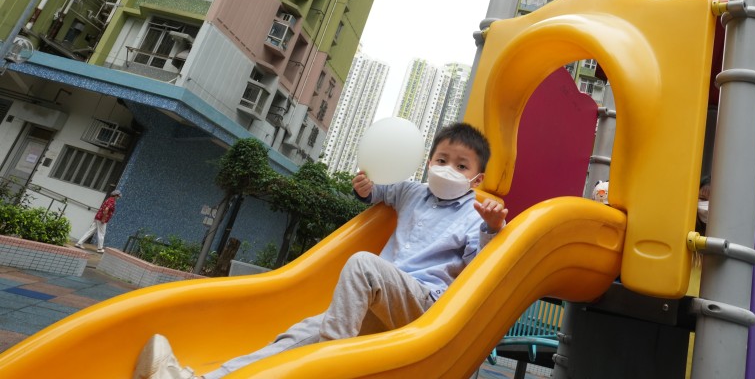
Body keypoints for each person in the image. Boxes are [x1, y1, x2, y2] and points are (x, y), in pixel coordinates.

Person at [133, 122, 507, 379]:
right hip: (376, 303)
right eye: (441, 160)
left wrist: (491, 228)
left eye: (461, 165)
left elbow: (479, 271)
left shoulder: (475, 214)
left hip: (423, 305)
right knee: (297, 336)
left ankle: (327, 367)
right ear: (428, 162)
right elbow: (374, 191)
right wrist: (363, 186)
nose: (447, 169)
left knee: (363, 265)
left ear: (477, 178)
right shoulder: (411, 191)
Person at [74, 189, 121, 253]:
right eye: (118, 196)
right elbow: (106, 209)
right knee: (101, 234)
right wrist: (103, 219)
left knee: (90, 231)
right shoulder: (112, 201)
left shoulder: (108, 199)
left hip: (98, 217)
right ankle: (100, 249)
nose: (118, 198)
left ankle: (79, 243)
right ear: (115, 195)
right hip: (102, 219)